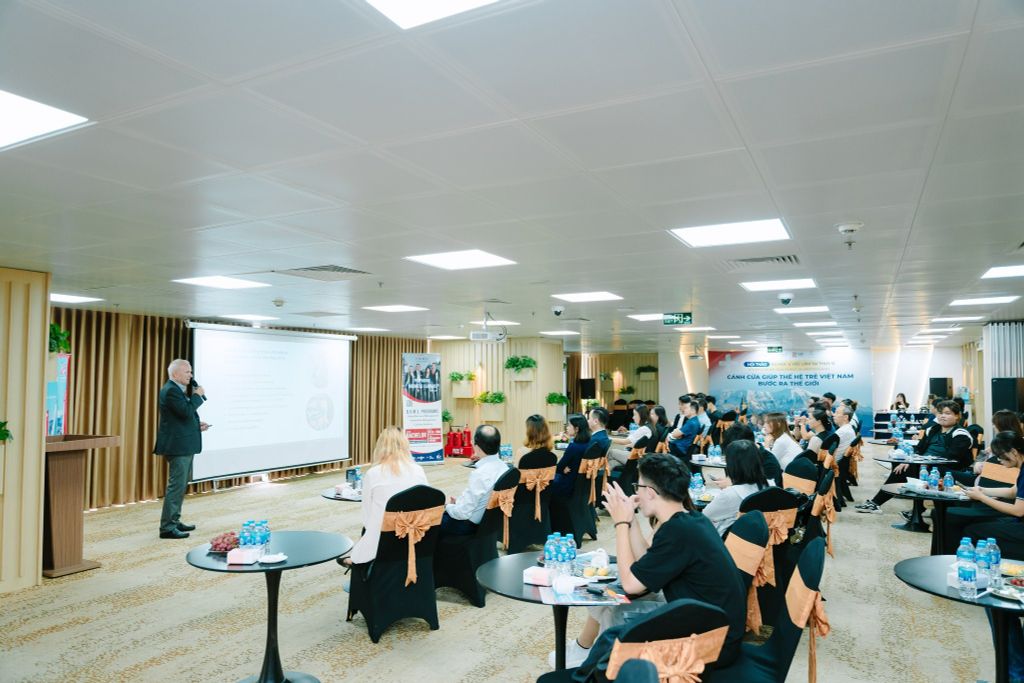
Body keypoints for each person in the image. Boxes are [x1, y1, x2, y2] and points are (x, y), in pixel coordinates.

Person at [550, 455, 746, 669]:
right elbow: (646, 562)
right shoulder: (690, 520)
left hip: (711, 642)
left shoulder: (678, 531)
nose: (636, 493)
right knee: (613, 602)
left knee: (620, 613)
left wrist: (621, 523)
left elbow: (631, 584)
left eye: (638, 487)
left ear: (650, 492)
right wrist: (631, 519)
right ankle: (596, 658)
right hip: (713, 626)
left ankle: (608, 668)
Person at [856, 400, 973, 513]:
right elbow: (919, 449)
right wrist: (909, 460)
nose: (942, 416)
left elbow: (952, 457)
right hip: (925, 465)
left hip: (946, 469)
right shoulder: (932, 430)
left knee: (909, 470)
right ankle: (906, 509)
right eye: (940, 413)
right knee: (901, 467)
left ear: (957, 416)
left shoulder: (961, 434)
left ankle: (910, 510)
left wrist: (923, 462)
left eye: (947, 413)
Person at [342, 427, 427, 566]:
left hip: (383, 539)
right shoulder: (418, 471)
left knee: (369, 529)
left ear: (380, 447)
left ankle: (359, 559)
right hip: (415, 536)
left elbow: (367, 518)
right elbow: (426, 504)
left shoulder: (373, 473)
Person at [153, 359, 208, 539]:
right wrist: (197, 395)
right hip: (178, 446)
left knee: (180, 485)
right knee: (176, 486)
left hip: (183, 443)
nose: (191, 375)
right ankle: (167, 528)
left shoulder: (176, 390)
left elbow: (180, 417)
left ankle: (174, 521)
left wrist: (196, 425)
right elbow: (185, 411)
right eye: (187, 372)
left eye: (191, 372)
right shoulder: (171, 390)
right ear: (176, 374)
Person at [440, 425, 509, 536]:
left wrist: (447, 506)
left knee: (431, 521)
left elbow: (462, 513)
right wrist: (459, 503)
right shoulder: (505, 468)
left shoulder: (481, 474)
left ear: (477, 446)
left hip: (468, 526)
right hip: (491, 523)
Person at [703, 440, 771, 536]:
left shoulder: (731, 494)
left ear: (732, 465)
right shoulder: (771, 485)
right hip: (763, 538)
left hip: (728, 541)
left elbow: (705, 516)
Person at [550, 415, 590, 499]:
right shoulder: (588, 443)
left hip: (566, 484)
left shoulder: (573, 447)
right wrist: (563, 468)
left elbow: (559, 468)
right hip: (580, 482)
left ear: (577, 429)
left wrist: (562, 468)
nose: (567, 428)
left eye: (568, 425)